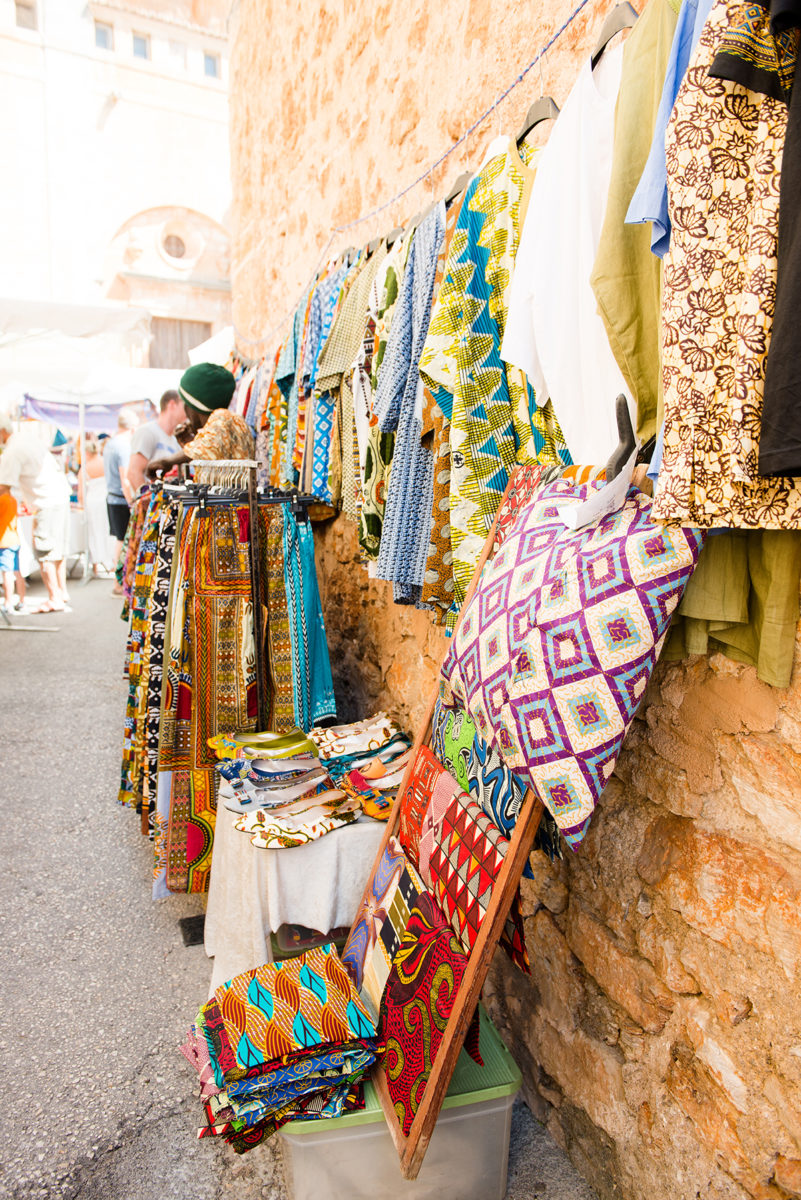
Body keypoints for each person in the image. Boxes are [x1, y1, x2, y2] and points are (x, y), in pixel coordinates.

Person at [0, 417, 72, 613]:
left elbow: (3, 488)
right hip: (59, 495)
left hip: (46, 501)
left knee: (45, 552)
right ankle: (61, 593)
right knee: (57, 551)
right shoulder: (26, 438)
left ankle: (54, 598)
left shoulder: (12, 451)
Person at [145, 364, 254, 477]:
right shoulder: (225, 424)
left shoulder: (222, 417)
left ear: (193, 405)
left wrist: (166, 461)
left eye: (185, 403)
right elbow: (210, 450)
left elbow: (207, 447)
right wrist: (190, 442)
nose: (185, 411)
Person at [126, 389, 185, 493]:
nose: (187, 409)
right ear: (172, 404)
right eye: (184, 404)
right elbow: (133, 472)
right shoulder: (147, 432)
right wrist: (148, 502)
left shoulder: (175, 439)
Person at [103, 409, 138, 580]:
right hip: (121, 499)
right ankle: (119, 581)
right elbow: (125, 479)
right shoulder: (123, 445)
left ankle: (119, 580)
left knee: (120, 540)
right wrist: (132, 503)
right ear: (132, 428)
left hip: (112, 497)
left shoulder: (110, 444)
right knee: (124, 541)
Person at [0, 490, 26, 612]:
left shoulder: (3, 500)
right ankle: (22, 600)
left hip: (4, 541)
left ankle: (8, 602)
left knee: (7, 573)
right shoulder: (12, 499)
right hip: (14, 539)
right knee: (17, 572)